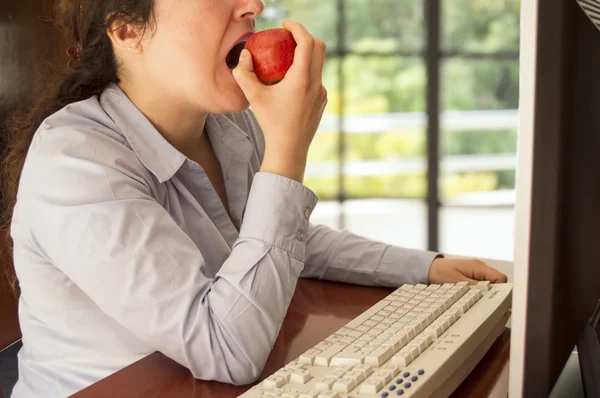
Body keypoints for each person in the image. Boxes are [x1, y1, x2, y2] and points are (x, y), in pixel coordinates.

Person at [0, 0, 508, 396]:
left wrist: (424, 268)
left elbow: (287, 237)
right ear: (126, 30)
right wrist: (288, 146)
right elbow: (226, 349)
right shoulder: (77, 161)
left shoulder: (229, 125)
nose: (255, 6)